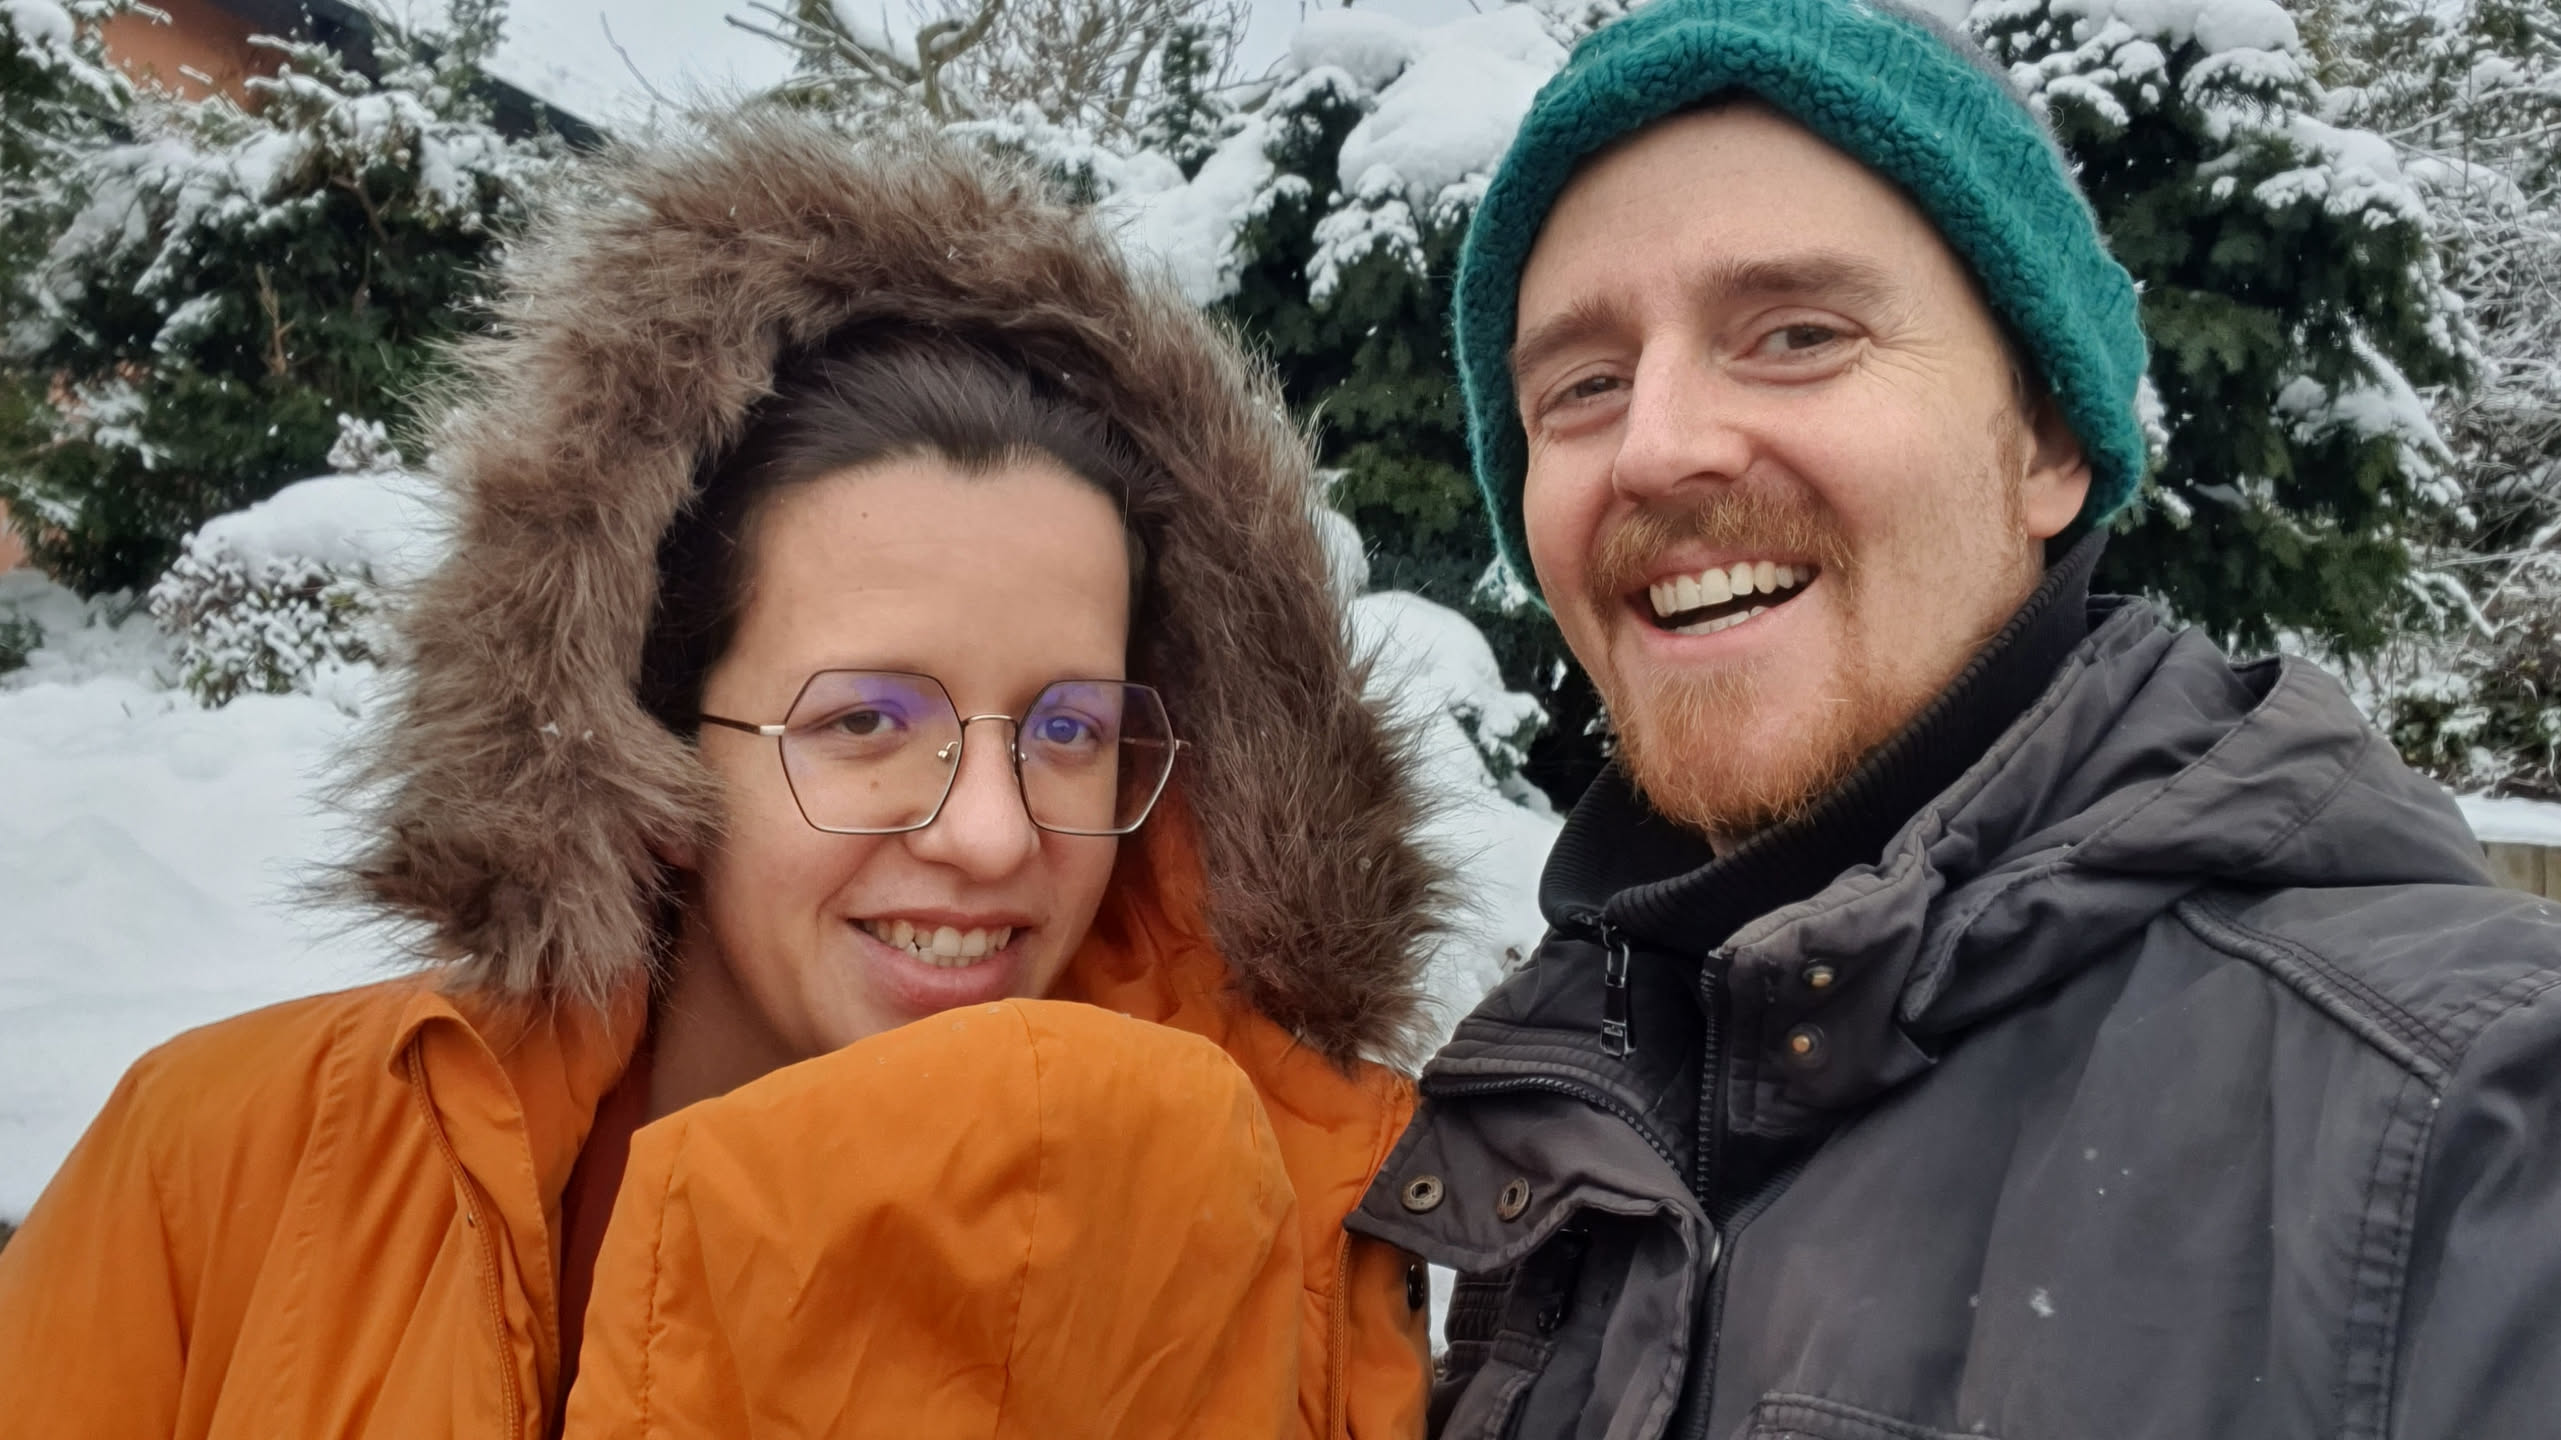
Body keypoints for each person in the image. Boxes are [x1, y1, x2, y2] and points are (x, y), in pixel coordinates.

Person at [0, 115, 1442, 1437]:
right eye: (865, 720)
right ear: (652, 748)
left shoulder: (1295, 1253)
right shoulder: (226, 1176)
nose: (993, 836)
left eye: (1068, 731)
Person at [1344, 0, 2561, 1436]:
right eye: (1584, 386)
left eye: (1798, 334)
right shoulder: (1568, 1098)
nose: (1656, 446)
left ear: (2049, 443)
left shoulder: (2470, 1128)